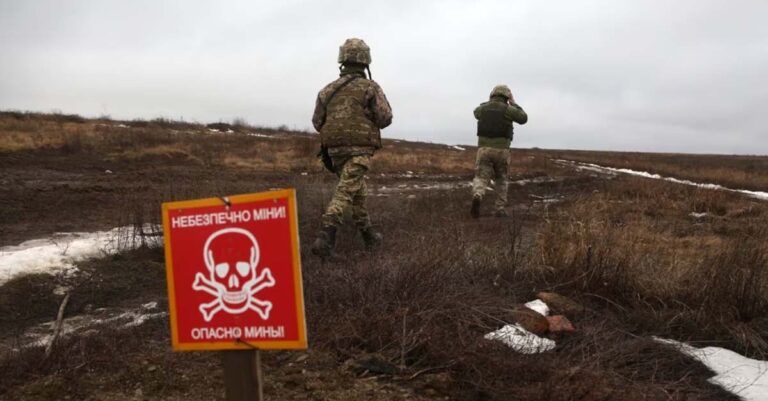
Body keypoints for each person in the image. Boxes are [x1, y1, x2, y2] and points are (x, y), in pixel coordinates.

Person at [310, 38, 393, 257]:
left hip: (334, 152)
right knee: (346, 190)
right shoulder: (370, 87)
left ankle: (368, 235)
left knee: (357, 191)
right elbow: (385, 118)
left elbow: (317, 122)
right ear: (366, 62)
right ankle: (326, 235)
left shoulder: (326, 90)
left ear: (342, 60)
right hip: (360, 149)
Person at [470, 85, 528, 218]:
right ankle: (499, 209)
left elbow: (476, 112)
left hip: (484, 150)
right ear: (506, 97)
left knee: (481, 176)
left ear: (492, 95)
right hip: (502, 151)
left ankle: (477, 195)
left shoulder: (482, 109)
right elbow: (523, 118)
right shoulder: (508, 109)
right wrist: (514, 103)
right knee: (501, 179)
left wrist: (489, 102)